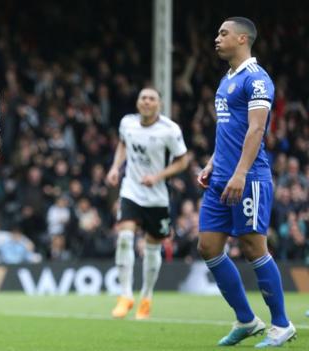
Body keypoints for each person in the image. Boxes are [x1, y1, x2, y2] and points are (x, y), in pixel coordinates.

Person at [197, 17, 296, 347]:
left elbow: (256, 130)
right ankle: (246, 319)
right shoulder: (226, 80)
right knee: (208, 247)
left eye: (223, 33)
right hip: (221, 178)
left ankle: (281, 325)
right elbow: (227, 131)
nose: (217, 38)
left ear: (242, 39)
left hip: (248, 177)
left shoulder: (256, 80)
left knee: (254, 248)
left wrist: (239, 173)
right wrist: (212, 164)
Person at [106, 87, 188, 319]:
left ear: (159, 105)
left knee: (152, 248)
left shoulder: (170, 130)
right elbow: (123, 144)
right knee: (124, 237)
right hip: (131, 190)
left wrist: (158, 176)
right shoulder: (127, 123)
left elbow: (183, 161)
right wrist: (115, 168)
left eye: (152, 99)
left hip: (157, 196)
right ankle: (125, 295)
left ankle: (146, 296)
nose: (147, 102)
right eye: (143, 98)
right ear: (138, 103)